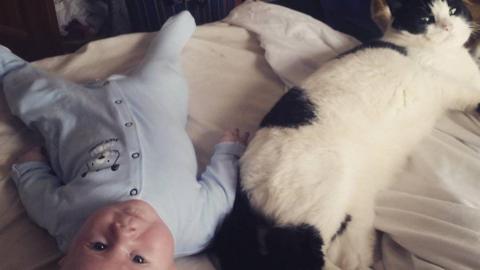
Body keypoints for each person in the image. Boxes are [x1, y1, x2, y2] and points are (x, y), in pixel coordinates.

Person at [1, 11, 249, 270]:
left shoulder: (67, 221)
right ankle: (168, 46)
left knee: (30, 92)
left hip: (76, 113)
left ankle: (6, 64)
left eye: (98, 246)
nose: (123, 233)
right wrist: (229, 152)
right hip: (153, 103)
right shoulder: (197, 229)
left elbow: (40, 199)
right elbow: (221, 192)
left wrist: (30, 167)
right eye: (138, 258)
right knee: (165, 72)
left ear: (67, 256)